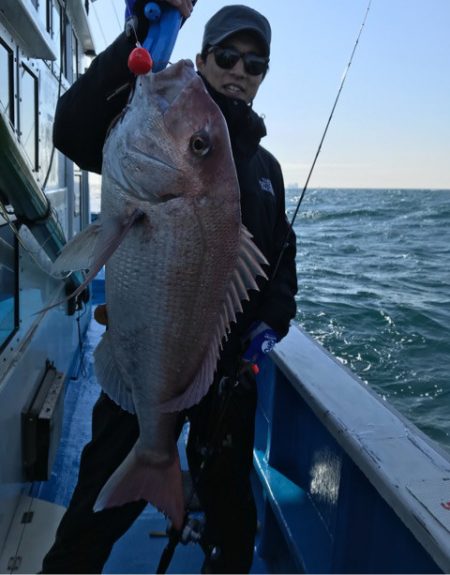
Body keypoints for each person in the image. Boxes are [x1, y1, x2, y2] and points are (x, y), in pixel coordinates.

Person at [42, 2, 297, 573]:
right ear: (203, 58)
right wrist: (138, 34)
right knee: (90, 516)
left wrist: (270, 321)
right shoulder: (148, 128)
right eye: (227, 56)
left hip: (224, 373)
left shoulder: (267, 171)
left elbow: (282, 262)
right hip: (143, 353)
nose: (239, 70)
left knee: (232, 522)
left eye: (254, 65)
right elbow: (72, 128)